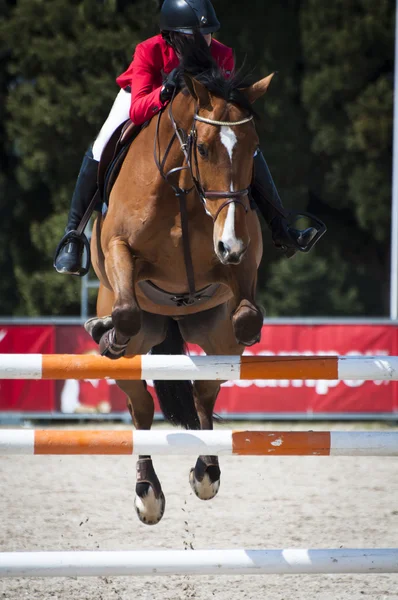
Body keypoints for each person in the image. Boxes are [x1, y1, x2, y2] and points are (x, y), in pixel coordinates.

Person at [54, 0, 318, 276]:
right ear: (173, 34)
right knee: (101, 144)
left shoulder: (222, 53)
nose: (205, 41)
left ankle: (281, 227)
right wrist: (164, 91)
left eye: (208, 33)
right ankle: (73, 235)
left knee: (244, 148)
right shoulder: (149, 50)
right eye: (196, 36)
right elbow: (138, 108)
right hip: (143, 97)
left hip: (197, 111)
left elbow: (222, 103)